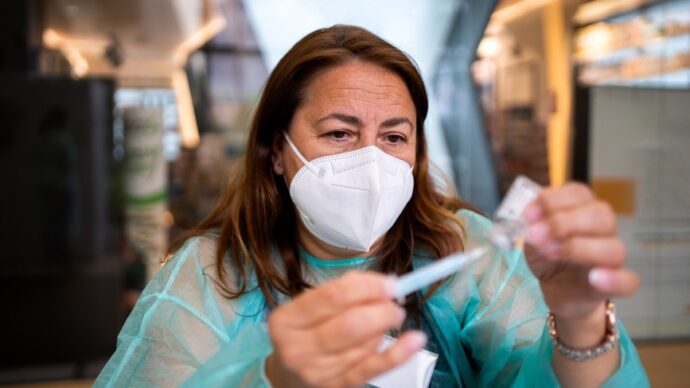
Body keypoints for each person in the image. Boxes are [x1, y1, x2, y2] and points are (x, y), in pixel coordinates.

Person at [95, 25, 648, 387]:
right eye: (338, 134)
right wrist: (272, 376)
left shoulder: (469, 252)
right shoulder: (209, 275)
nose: (371, 162)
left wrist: (579, 322)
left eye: (393, 137)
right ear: (276, 154)